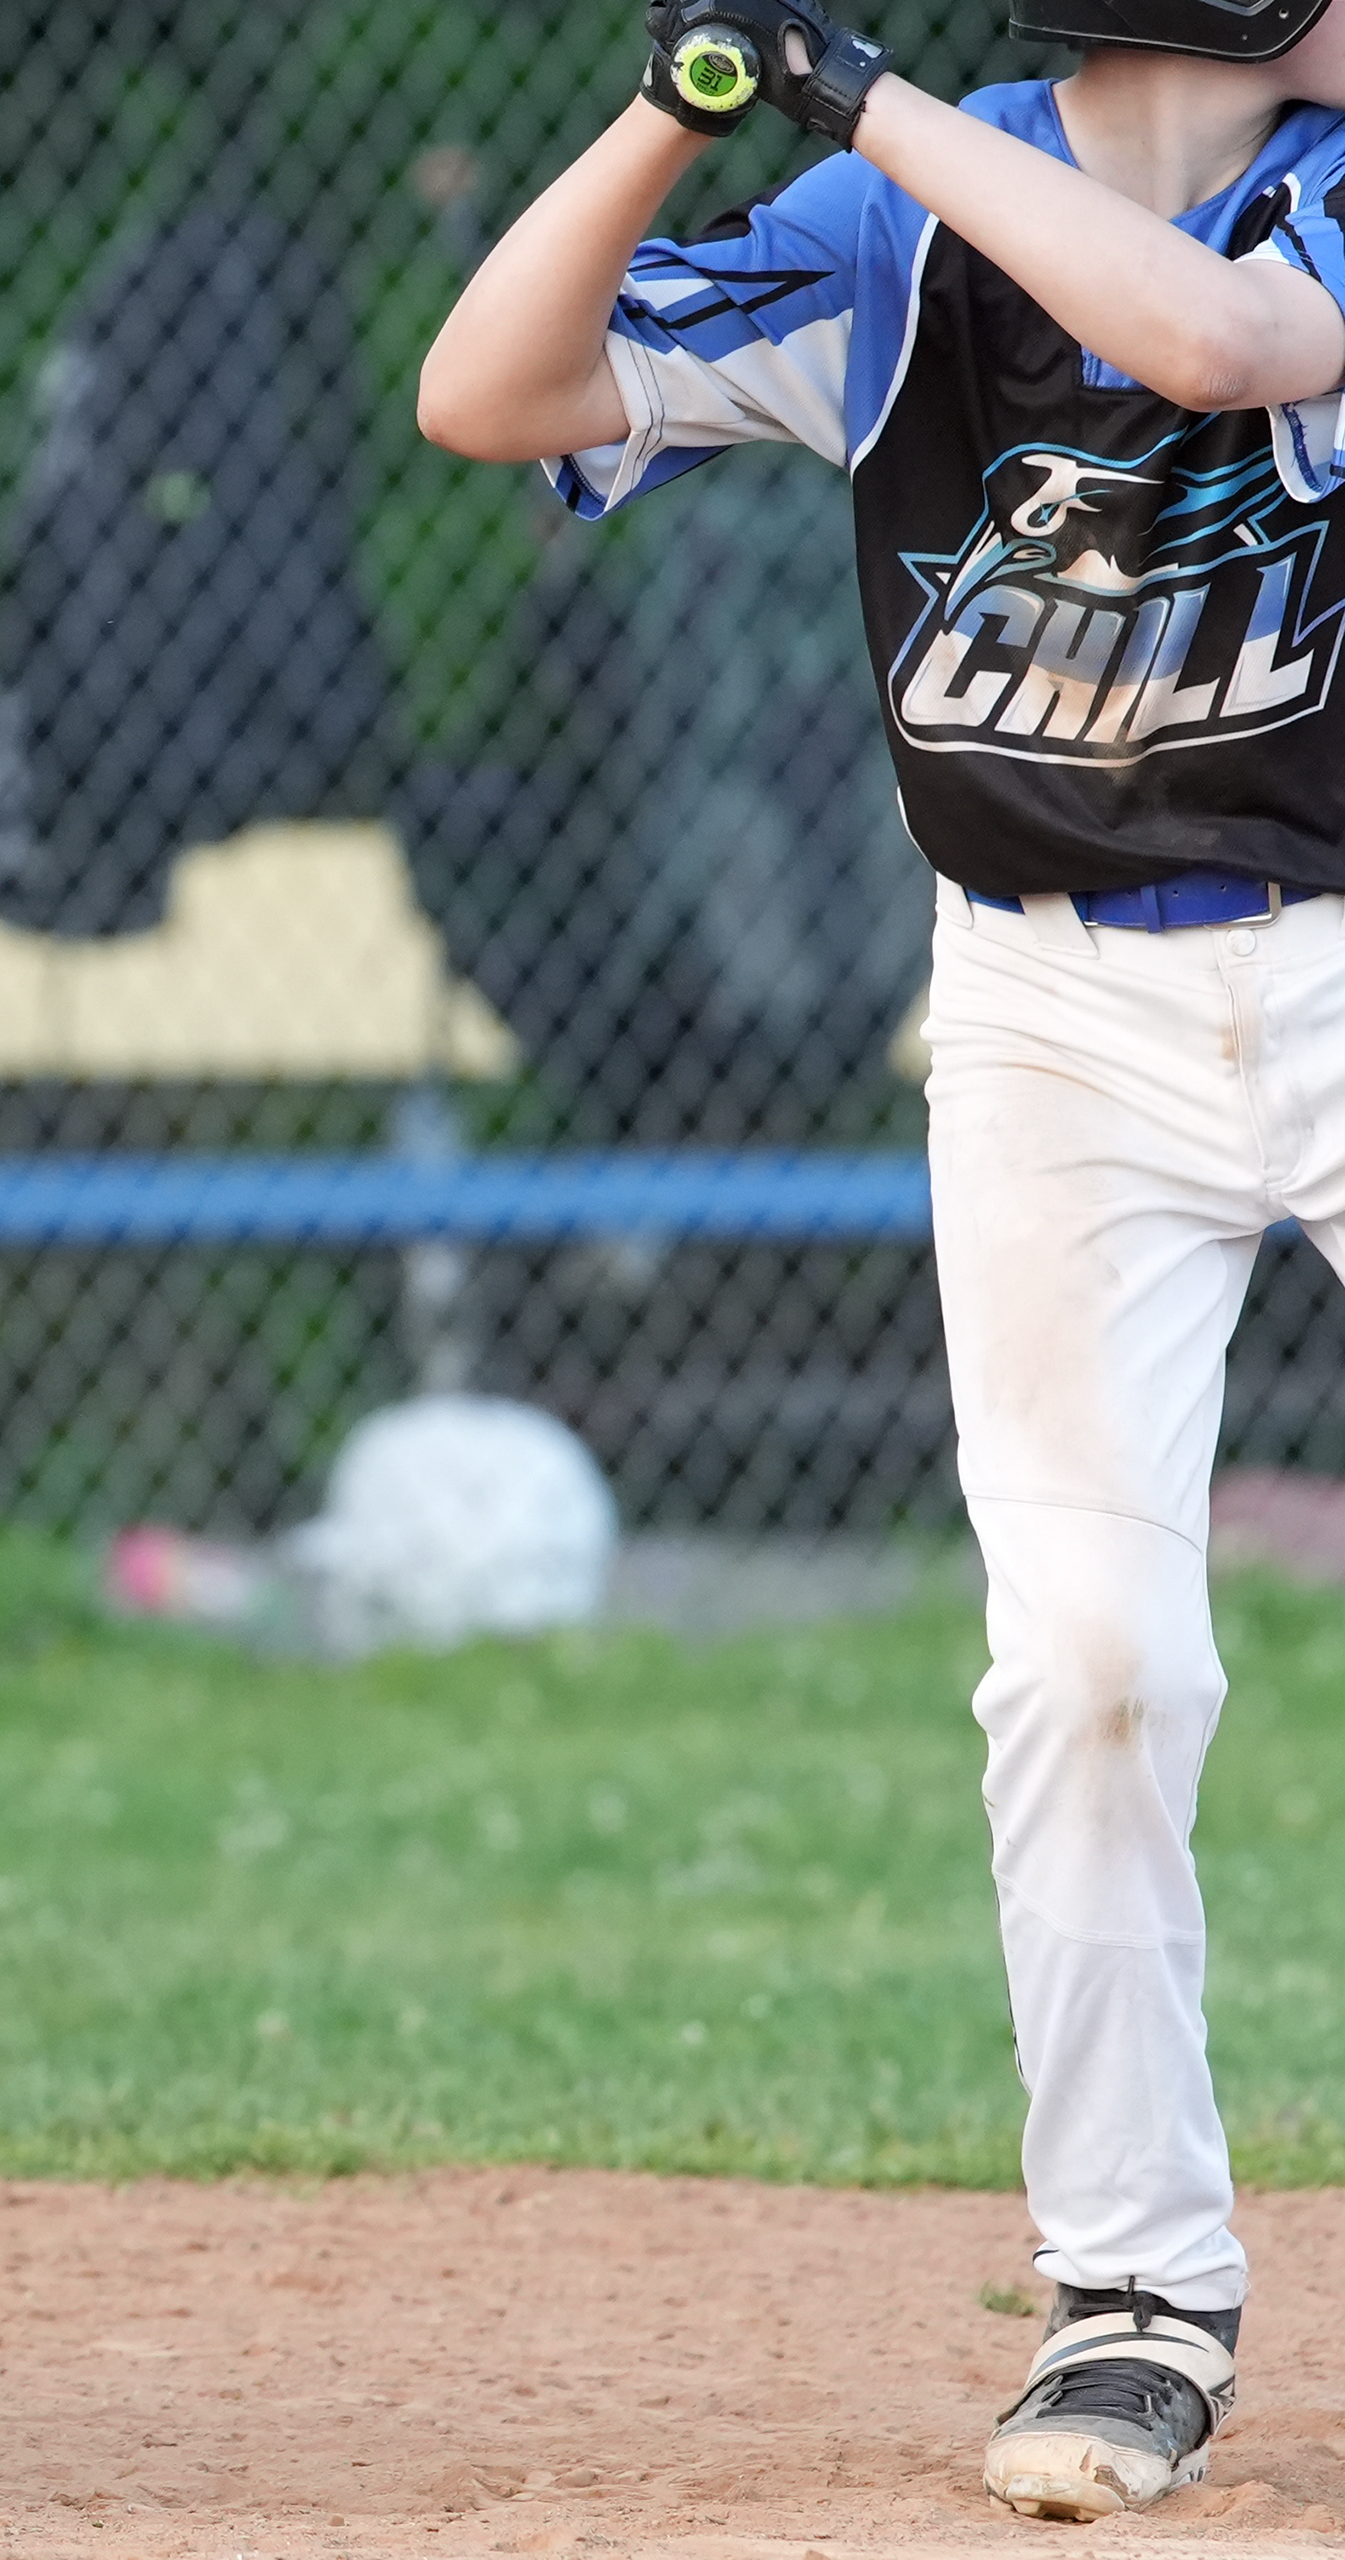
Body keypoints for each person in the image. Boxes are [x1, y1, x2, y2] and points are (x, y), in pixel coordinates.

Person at [419, 0, 1345, 2522]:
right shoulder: (892, 237)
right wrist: (676, 109)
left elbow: (1212, 339)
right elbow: (488, 392)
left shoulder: (1271, 185)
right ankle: (1135, 2290)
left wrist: (855, 94)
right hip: (1051, 1010)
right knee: (1088, 1661)